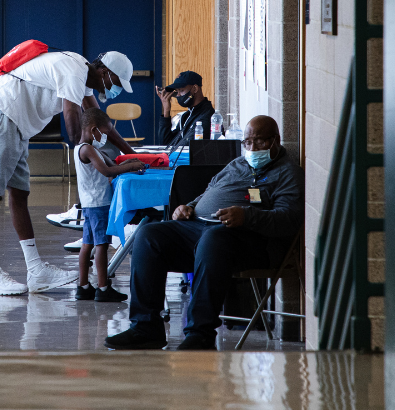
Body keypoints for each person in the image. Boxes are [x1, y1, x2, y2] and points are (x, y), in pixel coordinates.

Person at [105, 115, 302, 351]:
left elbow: (289, 220)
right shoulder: (237, 164)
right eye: (247, 142)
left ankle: (200, 333)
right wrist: (188, 206)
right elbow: (210, 192)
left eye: (258, 142)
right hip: (200, 228)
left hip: (250, 240)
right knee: (149, 235)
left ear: (275, 141)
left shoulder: (288, 173)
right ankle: (145, 328)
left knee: (213, 239)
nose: (251, 148)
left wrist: (248, 216)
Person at [0, 48, 138, 295]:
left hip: (18, 124)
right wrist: (86, 154)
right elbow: (73, 121)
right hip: (1, 111)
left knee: (20, 194)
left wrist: (132, 153)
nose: (115, 90)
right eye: (117, 83)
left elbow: (101, 123)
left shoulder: (84, 77)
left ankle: (36, 271)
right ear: (105, 73)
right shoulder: (75, 71)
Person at [73, 108, 145, 302]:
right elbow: (107, 171)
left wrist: (127, 161)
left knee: (87, 244)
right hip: (98, 204)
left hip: (90, 204)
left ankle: (83, 286)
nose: (105, 137)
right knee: (101, 245)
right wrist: (131, 166)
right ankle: (103, 288)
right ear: (93, 129)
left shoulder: (83, 148)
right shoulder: (88, 149)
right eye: (104, 133)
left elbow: (111, 162)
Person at [155, 70, 222, 147]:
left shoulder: (206, 117)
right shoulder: (187, 116)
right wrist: (166, 111)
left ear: (195, 89)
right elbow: (166, 143)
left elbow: (184, 147)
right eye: (177, 91)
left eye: (182, 90)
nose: (178, 95)